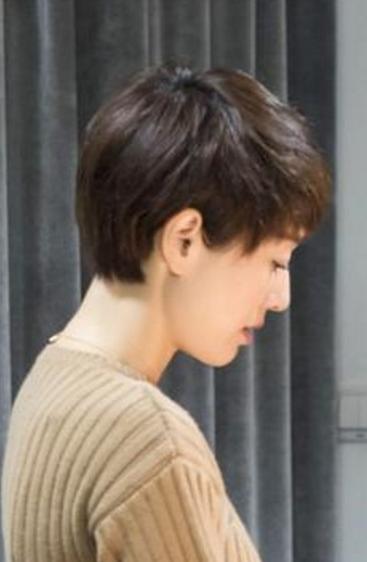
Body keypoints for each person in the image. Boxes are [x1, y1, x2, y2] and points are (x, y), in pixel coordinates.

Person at [1, 66, 330, 561]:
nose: (280, 297)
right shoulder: (145, 437)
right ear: (184, 241)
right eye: (275, 262)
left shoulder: (52, 380)